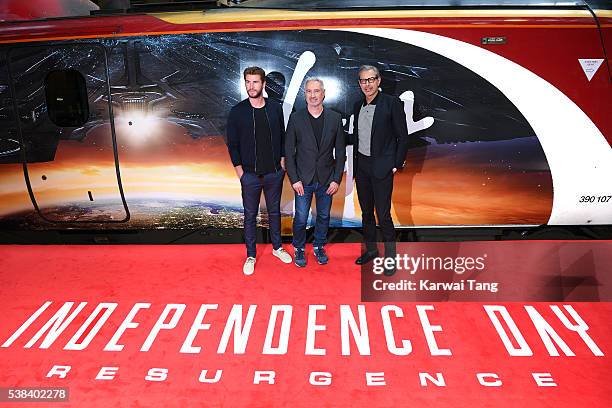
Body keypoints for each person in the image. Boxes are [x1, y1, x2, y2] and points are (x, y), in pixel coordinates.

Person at [226, 66, 292, 275]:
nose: (251, 86)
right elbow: (233, 144)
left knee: (274, 213)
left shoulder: (275, 108)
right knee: (249, 215)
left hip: (274, 173)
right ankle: (251, 255)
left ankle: (277, 248)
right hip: (250, 175)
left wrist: (282, 163)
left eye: (255, 82)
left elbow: (282, 136)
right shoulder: (237, 112)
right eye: (248, 82)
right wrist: (240, 172)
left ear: (263, 84)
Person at [352, 65, 410, 276]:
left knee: (383, 215)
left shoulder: (392, 104)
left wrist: (396, 163)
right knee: (366, 213)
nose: (367, 84)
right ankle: (371, 250)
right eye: (363, 80)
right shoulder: (357, 105)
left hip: (382, 167)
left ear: (378, 81)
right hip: (362, 167)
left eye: (371, 80)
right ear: (359, 84)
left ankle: (390, 258)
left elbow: (402, 137)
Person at [285, 78, 346, 267]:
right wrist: (294, 179)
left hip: (327, 180)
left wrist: (336, 179)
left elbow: (341, 152)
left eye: (316, 91)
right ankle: (299, 248)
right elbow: (288, 152)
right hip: (302, 180)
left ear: (323, 93)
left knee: (324, 216)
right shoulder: (296, 118)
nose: (313, 95)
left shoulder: (335, 119)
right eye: (309, 91)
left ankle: (319, 245)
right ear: (305, 95)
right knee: (301, 217)